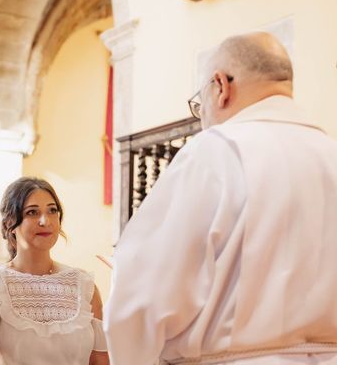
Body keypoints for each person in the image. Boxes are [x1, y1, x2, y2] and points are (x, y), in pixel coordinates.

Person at [105, 31, 337, 364]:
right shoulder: (332, 154)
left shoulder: (213, 153)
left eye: (200, 104)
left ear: (221, 87)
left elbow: (141, 299)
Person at [0, 177, 109, 365]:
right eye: (32, 212)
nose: (45, 221)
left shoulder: (85, 287)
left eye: (52, 210)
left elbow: (100, 362)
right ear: (10, 222)